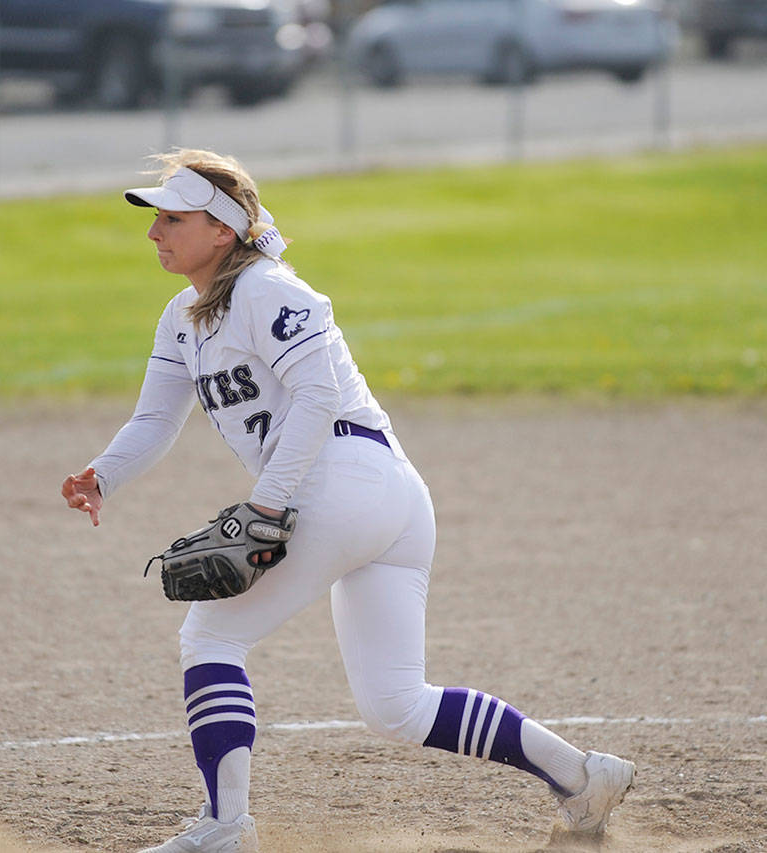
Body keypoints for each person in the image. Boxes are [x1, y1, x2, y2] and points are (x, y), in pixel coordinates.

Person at [60, 149, 634, 853]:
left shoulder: (270, 290)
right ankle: (582, 776)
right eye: (155, 220)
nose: (155, 233)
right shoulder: (183, 317)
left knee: (211, 636)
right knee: (397, 704)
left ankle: (225, 827)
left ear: (220, 231)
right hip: (383, 494)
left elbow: (319, 394)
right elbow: (156, 419)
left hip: (341, 478)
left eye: (172, 218)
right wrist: (104, 474)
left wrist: (269, 503)